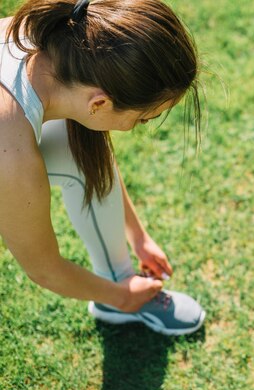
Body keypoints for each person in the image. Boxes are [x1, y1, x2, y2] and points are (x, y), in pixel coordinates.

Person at [0, 0, 205, 336]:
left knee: (73, 148)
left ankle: (117, 277)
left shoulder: (59, 39)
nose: (138, 126)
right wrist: (123, 297)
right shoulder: (9, 152)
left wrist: (138, 236)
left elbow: (91, 159)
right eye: (142, 119)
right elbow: (43, 268)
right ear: (99, 103)